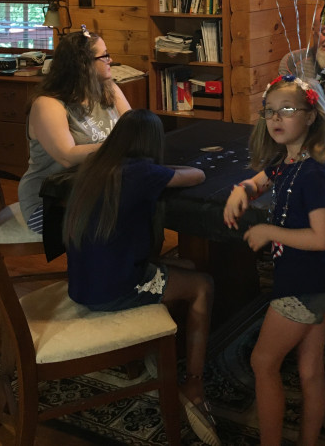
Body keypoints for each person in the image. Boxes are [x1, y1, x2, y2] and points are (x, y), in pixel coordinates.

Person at [63, 109, 220, 446]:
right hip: (114, 289)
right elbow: (195, 175)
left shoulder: (96, 168)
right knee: (203, 285)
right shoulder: (140, 173)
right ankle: (193, 383)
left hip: (83, 283)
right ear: (151, 143)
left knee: (189, 268)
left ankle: (162, 345)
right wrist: (164, 169)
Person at [223, 75, 325, 446]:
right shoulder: (289, 160)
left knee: (263, 363)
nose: (276, 118)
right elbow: (261, 179)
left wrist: (269, 232)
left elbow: (323, 238)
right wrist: (241, 189)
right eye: (270, 112)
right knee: (310, 371)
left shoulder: (312, 173)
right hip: (316, 281)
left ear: (310, 117)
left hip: (303, 283)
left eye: (288, 110)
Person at [18, 27, 131, 234]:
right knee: (124, 217)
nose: (110, 60)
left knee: (142, 203)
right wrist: (119, 145)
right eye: (104, 55)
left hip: (92, 191)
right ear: (83, 64)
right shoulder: (48, 104)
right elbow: (67, 156)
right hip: (49, 201)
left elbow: (132, 128)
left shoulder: (109, 89)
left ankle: (139, 264)